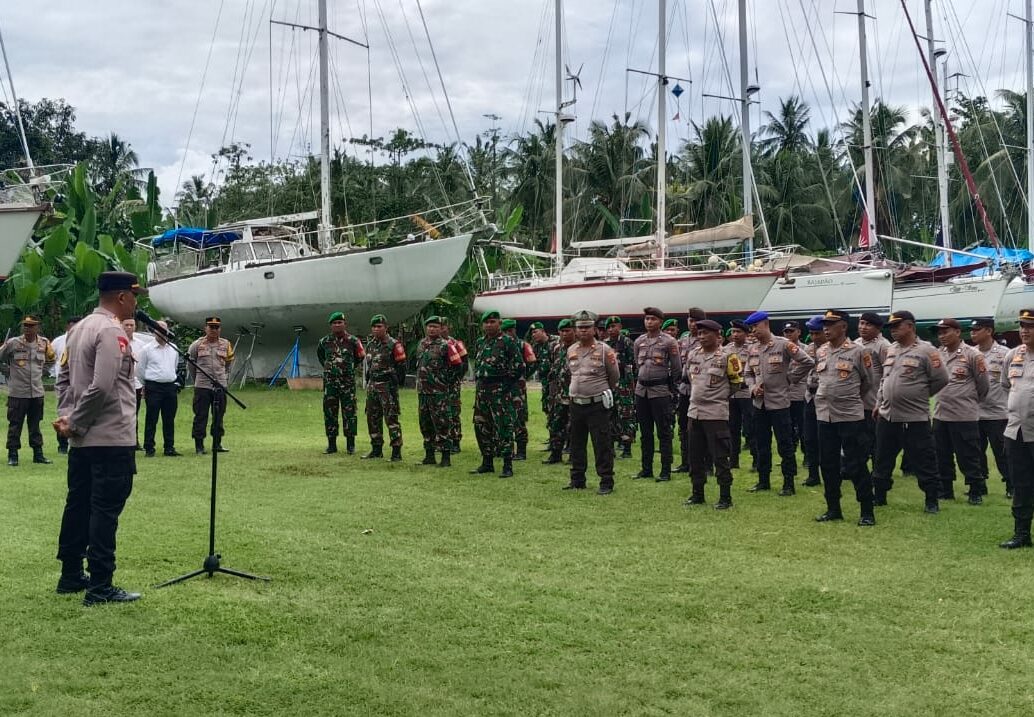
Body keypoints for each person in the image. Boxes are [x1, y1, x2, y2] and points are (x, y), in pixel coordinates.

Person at [54, 271, 146, 605]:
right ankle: (100, 586)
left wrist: (67, 417)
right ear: (122, 297)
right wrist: (75, 421)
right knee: (104, 511)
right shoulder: (111, 331)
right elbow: (103, 385)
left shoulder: (78, 330)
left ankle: (71, 575)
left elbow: (63, 379)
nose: (137, 303)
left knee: (78, 505)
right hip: (110, 438)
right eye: (135, 296)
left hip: (83, 441)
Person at [871, 310, 949, 513]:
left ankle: (931, 500)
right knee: (882, 459)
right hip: (888, 416)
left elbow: (941, 379)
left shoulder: (927, 351)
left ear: (911, 327)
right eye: (891, 328)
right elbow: (885, 380)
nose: (894, 331)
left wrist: (920, 394)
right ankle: (879, 495)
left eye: (897, 326)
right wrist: (879, 402)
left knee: (924, 460)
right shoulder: (892, 349)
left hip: (914, 418)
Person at [812, 310, 876, 525]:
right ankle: (833, 508)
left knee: (856, 464)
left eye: (831, 324)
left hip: (850, 416)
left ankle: (867, 511)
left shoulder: (859, 351)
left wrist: (848, 399)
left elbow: (868, 383)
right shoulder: (821, 351)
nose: (826, 328)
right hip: (824, 416)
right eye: (824, 324)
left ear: (843, 327)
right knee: (828, 465)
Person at [743, 311, 814, 495]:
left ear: (765, 324)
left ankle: (788, 483)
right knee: (762, 444)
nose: (753, 331)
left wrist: (790, 379)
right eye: (750, 328)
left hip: (780, 403)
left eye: (755, 327)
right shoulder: (753, 349)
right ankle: (763, 480)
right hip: (759, 404)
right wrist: (752, 388)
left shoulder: (783, 344)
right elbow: (748, 374)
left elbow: (807, 362)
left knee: (785, 444)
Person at [683, 319, 742, 509]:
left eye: (705, 333)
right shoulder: (693, 354)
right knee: (695, 456)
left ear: (718, 336)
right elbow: (691, 379)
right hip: (695, 412)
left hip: (716, 413)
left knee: (720, 457)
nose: (701, 337)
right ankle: (697, 493)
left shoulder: (728, 356)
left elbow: (736, 383)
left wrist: (719, 397)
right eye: (699, 334)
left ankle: (725, 497)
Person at [932, 318, 989, 503]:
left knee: (969, 456)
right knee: (942, 455)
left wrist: (968, 400)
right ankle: (945, 490)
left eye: (945, 331)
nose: (942, 336)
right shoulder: (937, 354)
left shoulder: (972, 354)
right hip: (941, 414)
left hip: (964, 415)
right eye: (939, 333)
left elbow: (983, 385)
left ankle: (975, 491)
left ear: (957, 332)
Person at [564, 310, 620, 494]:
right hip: (576, 404)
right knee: (577, 443)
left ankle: (606, 482)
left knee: (601, 443)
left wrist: (600, 391)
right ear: (575, 330)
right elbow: (571, 374)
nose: (583, 331)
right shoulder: (571, 350)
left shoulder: (605, 350)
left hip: (596, 404)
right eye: (580, 328)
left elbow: (614, 376)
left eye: (587, 327)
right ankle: (577, 479)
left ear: (594, 329)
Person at [470, 310, 524, 477]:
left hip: (500, 390)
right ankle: (487, 461)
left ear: (499, 324)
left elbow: (519, 366)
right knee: (481, 425)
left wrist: (507, 385)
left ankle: (507, 464)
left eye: (492, 322)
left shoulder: (507, 342)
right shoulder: (480, 342)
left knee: (503, 426)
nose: (488, 325)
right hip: (482, 390)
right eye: (486, 322)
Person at [634, 307, 682, 481]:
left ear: (660, 322)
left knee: (663, 432)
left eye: (653, 319)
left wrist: (670, 387)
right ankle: (646, 468)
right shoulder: (639, 341)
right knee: (645, 432)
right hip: (641, 391)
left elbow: (677, 368)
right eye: (647, 319)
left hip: (660, 391)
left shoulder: (669, 342)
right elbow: (637, 365)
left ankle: (665, 470)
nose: (649, 322)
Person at [999, 309, 1034, 548]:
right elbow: (1005, 385)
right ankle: (1021, 534)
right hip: (1017, 431)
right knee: (1021, 484)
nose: (1024, 331)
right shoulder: (1013, 355)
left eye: (1030, 326)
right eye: (1022, 326)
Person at [0, 316, 55, 466]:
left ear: (37, 327)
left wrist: (43, 371)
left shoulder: (44, 343)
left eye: (31, 326)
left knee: (35, 424)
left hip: (36, 392)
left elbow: (51, 359)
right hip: (18, 392)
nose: (27, 328)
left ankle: (38, 454)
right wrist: (7, 372)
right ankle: (13, 455)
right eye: (25, 326)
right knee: (15, 424)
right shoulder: (13, 343)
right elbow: (1, 358)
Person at [971, 317, 1011, 497]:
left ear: (989, 331)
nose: (973, 333)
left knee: (1003, 453)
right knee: (975, 452)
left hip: (998, 413)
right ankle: (979, 485)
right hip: (974, 413)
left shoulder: (1005, 354)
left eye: (977, 329)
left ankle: (1012, 485)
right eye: (972, 330)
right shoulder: (969, 353)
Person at [416, 316, 463, 467]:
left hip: (439, 393)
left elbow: (458, 366)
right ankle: (429, 455)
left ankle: (445, 457)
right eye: (429, 326)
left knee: (442, 424)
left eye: (435, 326)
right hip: (423, 392)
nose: (432, 329)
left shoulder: (446, 345)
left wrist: (446, 381)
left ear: (440, 328)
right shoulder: (421, 344)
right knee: (425, 424)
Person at [316, 311, 365, 455]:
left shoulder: (353, 341)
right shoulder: (324, 342)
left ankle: (351, 445)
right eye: (334, 323)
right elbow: (321, 357)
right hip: (330, 384)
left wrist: (348, 368)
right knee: (330, 413)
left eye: (340, 322)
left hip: (347, 384)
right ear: (331, 326)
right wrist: (330, 368)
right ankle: (331, 445)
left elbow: (360, 357)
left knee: (349, 413)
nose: (337, 325)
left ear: (345, 324)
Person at [362, 314, 407, 461]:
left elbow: (401, 366)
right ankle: (376, 449)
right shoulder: (370, 344)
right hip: (373, 385)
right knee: (372, 417)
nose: (376, 329)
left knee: (391, 418)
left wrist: (396, 383)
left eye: (379, 326)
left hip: (387, 386)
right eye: (374, 327)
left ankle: (396, 451)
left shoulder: (394, 344)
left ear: (386, 328)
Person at [188, 317, 235, 455]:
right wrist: (198, 380)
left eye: (217, 327)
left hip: (220, 385)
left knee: (219, 415)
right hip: (202, 386)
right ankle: (199, 446)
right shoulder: (197, 345)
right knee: (200, 415)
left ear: (220, 329)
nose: (214, 330)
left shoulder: (226, 344)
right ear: (205, 328)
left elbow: (228, 363)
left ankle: (217, 443)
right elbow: (191, 365)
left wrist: (222, 377)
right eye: (211, 327)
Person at [137, 319, 182, 457]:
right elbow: (140, 369)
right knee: (152, 418)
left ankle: (169, 447)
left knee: (169, 418)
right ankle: (149, 447)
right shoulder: (147, 349)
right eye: (159, 329)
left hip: (169, 387)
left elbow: (174, 367)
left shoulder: (173, 349)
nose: (162, 332)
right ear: (154, 331)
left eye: (164, 329)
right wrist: (146, 384)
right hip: (153, 386)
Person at [855, 312, 890, 470]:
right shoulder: (856, 344)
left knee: (876, 440)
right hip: (857, 402)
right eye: (861, 323)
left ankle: (877, 470)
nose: (863, 327)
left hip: (874, 402)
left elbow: (888, 373)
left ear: (877, 328)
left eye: (868, 324)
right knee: (858, 439)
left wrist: (882, 400)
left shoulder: (883, 346)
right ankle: (856, 467)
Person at [675, 308, 706, 473]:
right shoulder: (683, 339)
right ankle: (685, 461)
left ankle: (707, 463)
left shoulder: (705, 339)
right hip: (684, 388)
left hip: (700, 388)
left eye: (694, 321)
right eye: (689, 320)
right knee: (683, 426)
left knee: (702, 426)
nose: (691, 324)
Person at [502, 318, 537, 460]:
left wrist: (522, 377)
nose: (506, 334)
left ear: (512, 330)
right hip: (502, 387)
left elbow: (532, 363)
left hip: (517, 388)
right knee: (503, 417)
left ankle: (521, 451)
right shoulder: (500, 344)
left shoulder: (523, 345)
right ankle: (505, 449)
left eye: (508, 331)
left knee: (519, 418)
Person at [542, 320, 575, 465]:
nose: (564, 333)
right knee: (556, 425)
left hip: (574, 395)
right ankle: (555, 454)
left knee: (574, 427)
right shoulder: (556, 348)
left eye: (567, 330)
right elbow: (552, 370)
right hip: (558, 394)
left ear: (574, 331)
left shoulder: (579, 349)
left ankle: (574, 455)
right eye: (562, 331)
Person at [604, 316, 637, 458]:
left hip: (624, 385)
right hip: (608, 385)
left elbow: (633, 364)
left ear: (620, 327)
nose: (612, 329)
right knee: (609, 415)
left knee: (626, 416)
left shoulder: (627, 342)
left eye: (614, 326)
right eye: (609, 327)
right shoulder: (603, 345)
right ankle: (610, 446)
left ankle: (627, 448)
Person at [800, 315, 827, 487]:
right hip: (810, 397)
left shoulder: (834, 349)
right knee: (809, 438)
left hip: (827, 399)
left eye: (817, 333)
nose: (814, 337)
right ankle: (813, 474)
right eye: (812, 333)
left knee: (827, 439)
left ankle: (834, 471)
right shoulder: (809, 348)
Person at [724, 320, 754, 470]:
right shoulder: (727, 349)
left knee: (751, 427)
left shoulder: (752, 349)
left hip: (747, 393)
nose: (735, 334)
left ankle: (756, 460)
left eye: (738, 332)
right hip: (732, 394)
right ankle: (733, 459)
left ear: (746, 334)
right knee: (732, 428)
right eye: (733, 332)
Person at [50, 316, 82, 454]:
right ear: (67, 327)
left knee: (79, 414)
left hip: (80, 386)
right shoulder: (59, 341)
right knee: (64, 414)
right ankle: (62, 445)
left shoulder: (85, 341)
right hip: (64, 386)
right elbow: (50, 359)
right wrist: (54, 373)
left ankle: (76, 442)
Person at [440, 316, 468, 453]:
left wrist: (455, 379)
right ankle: (443, 441)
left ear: (448, 327)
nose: (440, 329)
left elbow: (464, 364)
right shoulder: (432, 344)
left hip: (452, 384)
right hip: (437, 386)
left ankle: (455, 441)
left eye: (443, 326)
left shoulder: (456, 343)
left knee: (453, 412)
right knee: (440, 413)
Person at [782, 320, 807, 452]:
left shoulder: (805, 349)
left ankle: (806, 455)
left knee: (803, 427)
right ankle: (790, 452)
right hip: (784, 395)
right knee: (787, 427)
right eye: (786, 332)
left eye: (791, 331)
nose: (788, 334)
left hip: (800, 393)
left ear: (799, 332)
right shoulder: (779, 349)